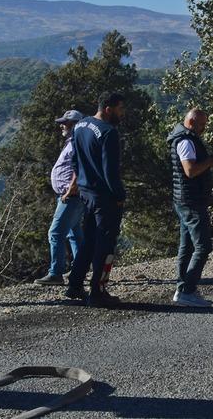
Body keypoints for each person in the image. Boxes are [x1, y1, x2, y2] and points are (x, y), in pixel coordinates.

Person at [66, 92, 128, 308]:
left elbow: (74, 159)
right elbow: (110, 171)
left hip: (86, 192)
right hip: (104, 197)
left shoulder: (80, 126)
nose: (123, 113)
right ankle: (98, 291)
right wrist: (120, 196)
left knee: (89, 239)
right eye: (120, 108)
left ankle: (74, 284)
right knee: (105, 244)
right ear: (108, 109)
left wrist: (81, 181)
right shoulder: (108, 133)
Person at [168, 108, 213, 308]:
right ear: (192, 122)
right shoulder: (186, 141)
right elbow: (191, 171)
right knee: (203, 246)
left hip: (185, 199)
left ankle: (182, 288)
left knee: (187, 246)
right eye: (202, 124)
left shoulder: (185, 137)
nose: (204, 128)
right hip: (191, 201)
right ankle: (188, 290)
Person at [35, 109, 85, 285]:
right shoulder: (73, 141)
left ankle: (56, 273)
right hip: (70, 195)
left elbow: (80, 167)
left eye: (66, 123)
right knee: (74, 233)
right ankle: (80, 271)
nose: (62, 126)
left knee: (55, 233)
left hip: (71, 196)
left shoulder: (77, 141)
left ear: (75, 124)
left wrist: (71, 189)